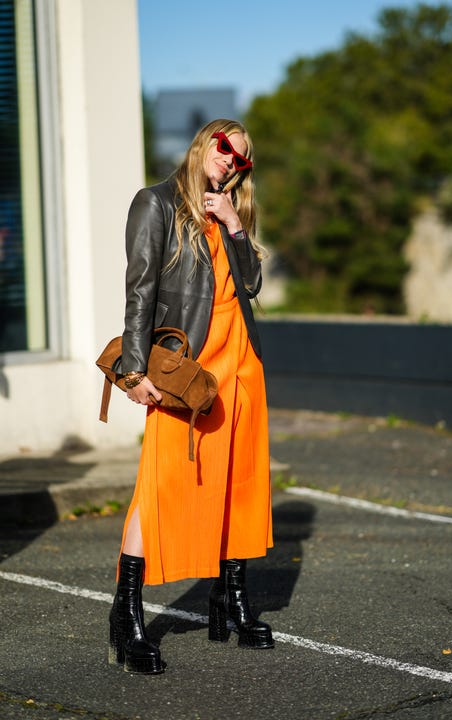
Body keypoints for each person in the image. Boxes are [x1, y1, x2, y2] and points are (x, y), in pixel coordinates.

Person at [108, 119, 274, 674]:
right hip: (191, 369)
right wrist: (133, 370)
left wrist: (234, 226)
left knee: (239, 485)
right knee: (161, 484)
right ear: (205, 142)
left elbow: (249, 283)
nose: (232, 161)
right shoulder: (154, 203)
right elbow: (140, 290)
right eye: (226, 148)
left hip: (241, 363)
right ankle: (125, 616)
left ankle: (230, 598)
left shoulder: (228, 209)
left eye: (241, 159)